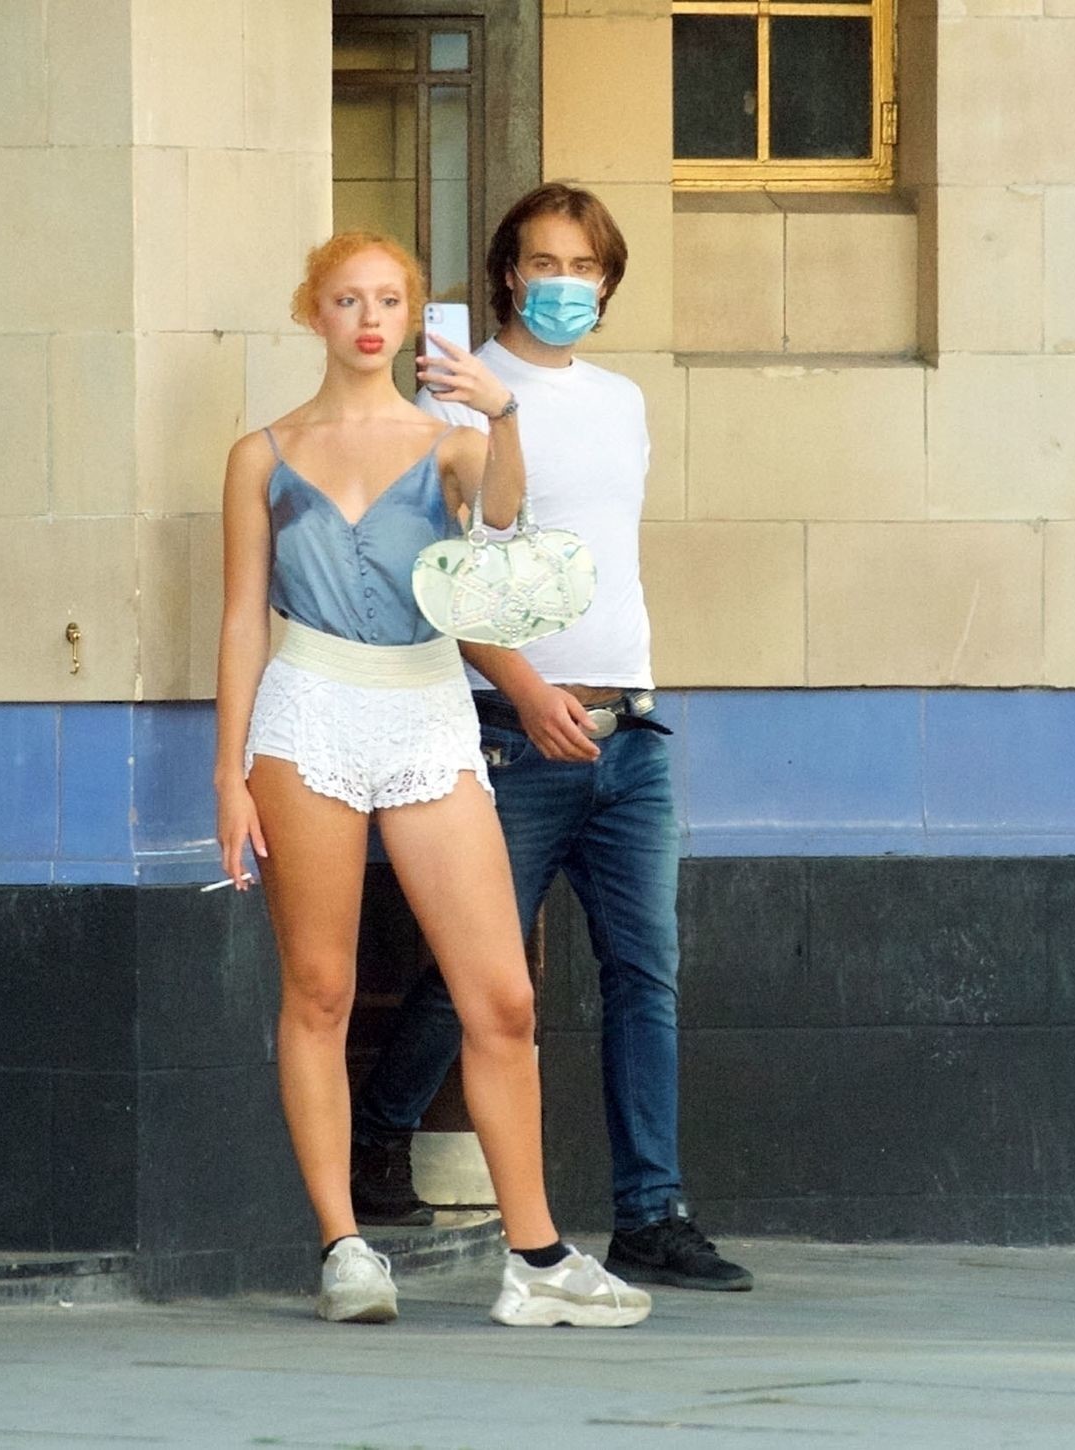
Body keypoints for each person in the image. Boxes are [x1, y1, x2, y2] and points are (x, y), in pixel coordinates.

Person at [214, 229, 651, 1329]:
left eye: (388, 300)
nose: (369, 319)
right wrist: (228, 773)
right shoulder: (261, 454)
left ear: (413, 316)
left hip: (426, 708)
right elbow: (241, 618)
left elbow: (500, 520)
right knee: (319, 988)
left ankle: (537, 1257)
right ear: (311, 312)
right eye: (347, 299)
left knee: (501, 997)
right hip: (308, 709)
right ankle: (344, 1249)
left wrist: (502, 415)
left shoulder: (449, 441)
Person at [350, 185, 755, 1294]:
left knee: (645, 978)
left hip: (632, 728)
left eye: (585, 265)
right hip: (512, 731)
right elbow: (443, 574)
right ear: (508, 273)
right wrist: (526, 692)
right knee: (474, 968)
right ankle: (376, 1137)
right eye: (544, 263)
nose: (565, 283)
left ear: (608, 280)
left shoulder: (623, 401)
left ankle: (652, 1214)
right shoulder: (457, 390)